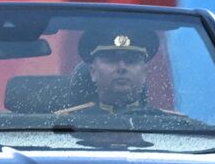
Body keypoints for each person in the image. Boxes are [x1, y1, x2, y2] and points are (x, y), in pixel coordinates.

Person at [53, 28, 189, 128]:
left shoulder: (171, 125)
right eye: (111, 60)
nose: (122, 67)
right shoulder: (65, 125)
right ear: (92, 72)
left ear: (144, 73)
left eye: (131, 60)